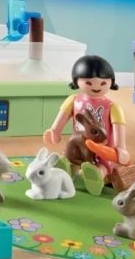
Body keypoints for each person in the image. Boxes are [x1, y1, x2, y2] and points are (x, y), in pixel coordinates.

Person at [44, 55, 129, 195]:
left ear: (111, 82)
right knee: (71, 156)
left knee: (104, 163)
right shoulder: (74, 100)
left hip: (103, 146)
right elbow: (62, 116)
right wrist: (54, 131)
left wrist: (121, 148)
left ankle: (97, 176)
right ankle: (67, 170)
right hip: (78, 143)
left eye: (103, 83)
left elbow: (119, 128)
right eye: (89, 83)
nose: (96, 87)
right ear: (76, 81)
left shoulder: (113, 107)